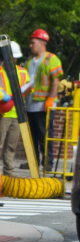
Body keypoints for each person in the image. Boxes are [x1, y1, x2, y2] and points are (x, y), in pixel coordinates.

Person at [19, 29, 63, 172]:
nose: (30, 45)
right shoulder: (30, 62)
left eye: (33, 42)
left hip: (44, 105)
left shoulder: (51, 59)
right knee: (32, 137)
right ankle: (33, 162)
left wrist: (50, 98)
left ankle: (48, 162)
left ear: (41, 43)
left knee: (45, 135)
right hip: (31, 105)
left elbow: (55, 80)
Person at [0, 41, 30, 177]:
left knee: (11, 146)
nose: (15, 60)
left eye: (16, 58)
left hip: (17, 114)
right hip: (2, 113)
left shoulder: (23, 72)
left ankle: (8, 172)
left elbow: (28, 90)